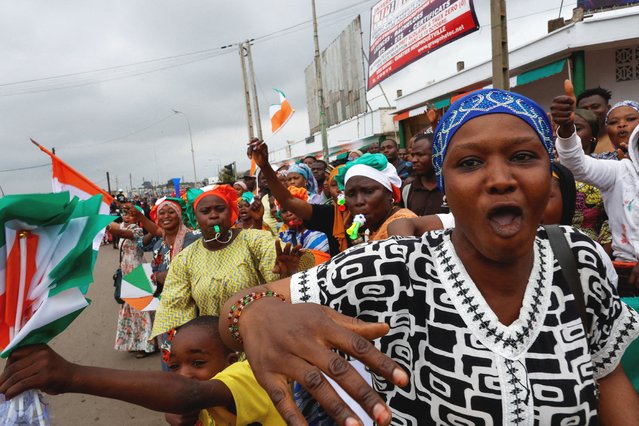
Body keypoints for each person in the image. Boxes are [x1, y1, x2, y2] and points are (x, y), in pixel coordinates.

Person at [221, 89, 639, 425]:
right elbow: (231, 315)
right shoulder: (395, 266)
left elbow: (608, 377)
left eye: (523, 156)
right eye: (471, 163)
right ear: (445, 185)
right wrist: (257, 315)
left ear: (551, 173)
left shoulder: (577, 256)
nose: (500, 179)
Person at [0, 317, 285, 426]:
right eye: (173, 367)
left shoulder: (252, 374)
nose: (183, 374)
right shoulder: (205, 410)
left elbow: (188, 393)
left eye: (198, 363)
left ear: (232, 361)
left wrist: (72, 376)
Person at [150, 184, 314, 338]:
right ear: (195, 218)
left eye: (220, 209)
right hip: (214, 347)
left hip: (261, 338)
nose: (214, 215)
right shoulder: (185, 259)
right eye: (205, 211)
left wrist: (289, 273)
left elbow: (284, 276)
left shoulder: (255, 239)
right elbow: (176, 310)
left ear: (231, 213)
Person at [249, 139, 415, 254]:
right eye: (351, 194)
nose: (358, 201)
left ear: (390, 194)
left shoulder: (402, 221)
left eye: (368, 192)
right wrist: (264, 166)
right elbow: (288, 201)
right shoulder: (336, 216)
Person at [553, 85, 639, 291]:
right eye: (614, 121)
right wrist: (566, 129)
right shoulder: (621, 171)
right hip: (626, 273)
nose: (622, 126)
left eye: (630, 120)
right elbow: (575, 165)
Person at [107, 207, 157, 358]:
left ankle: (146, 345)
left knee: (141, 310)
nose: (126, 217)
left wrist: (101, 222)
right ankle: (134, 343)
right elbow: (118, 230)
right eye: (125, 214)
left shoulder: (137, 231)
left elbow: (121, 233)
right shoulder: (122, 227)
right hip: (127, 272)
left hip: (138, 272)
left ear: (137, 218)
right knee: (129, 310)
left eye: (130, 215)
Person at [278, 186, 330, 265]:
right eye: (284, 211)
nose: (289, 213)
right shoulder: (284, 236)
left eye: (293, 208)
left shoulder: (320, 231)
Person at [401, 132, 446, 216]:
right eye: (413, 155)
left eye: (420, 155)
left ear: (436, 155)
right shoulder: (408, 189)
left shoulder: (451, 187)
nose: (414, 160)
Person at [577, 86, 613, 154]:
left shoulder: (618, 138)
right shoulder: (576, 142)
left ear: (608, 108)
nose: (590, 112)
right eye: (584, 109)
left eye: (595, 107)